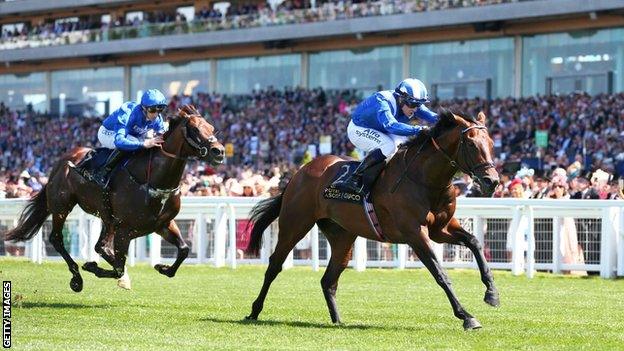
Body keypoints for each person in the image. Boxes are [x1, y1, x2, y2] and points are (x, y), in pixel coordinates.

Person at [332, 78, 438, 194]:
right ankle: (355, 177)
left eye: (419, 104)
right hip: (359, 129)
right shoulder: (383, 102)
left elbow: (433, 116)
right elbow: (391, 126)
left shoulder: (408, 101)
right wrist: (419, 129)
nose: (415, 109)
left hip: (380, 129)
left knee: (405, 146)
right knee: (388, 147)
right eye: (413, 104)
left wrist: (452, 120)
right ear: (401, 98)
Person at [78, 89, 168, 187]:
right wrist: (144, 144)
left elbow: (162, 137)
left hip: (131, 135)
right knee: (137, 142)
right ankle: (102, 173)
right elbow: (119, 141)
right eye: (152, 110)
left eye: (160, 110)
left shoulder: (158, 119)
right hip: (108, 132)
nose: (156, 114)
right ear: (144, 108)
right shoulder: (128, 113)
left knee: (148, 142)